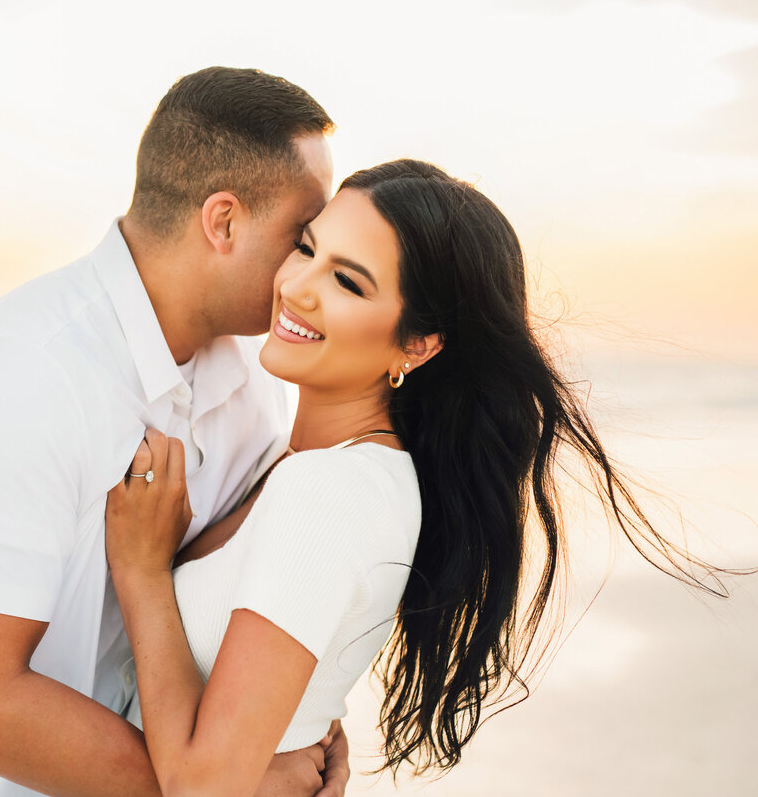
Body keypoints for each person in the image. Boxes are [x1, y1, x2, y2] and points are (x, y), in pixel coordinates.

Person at [104, 159, 735, 796]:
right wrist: (306, 726)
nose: (297, 286)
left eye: (348, 283)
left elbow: (203, 788)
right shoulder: (335, 471)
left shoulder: (332, 493)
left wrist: (143, 571)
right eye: (306, 248)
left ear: (417, 344)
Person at [0, 67, 350, 796]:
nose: (310, 271)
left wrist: (301, 734)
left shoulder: (256, 389)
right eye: (303, 237)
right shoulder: (22, 373)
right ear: (223, 222)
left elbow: (232, 610)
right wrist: (225, 786)